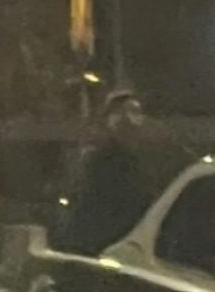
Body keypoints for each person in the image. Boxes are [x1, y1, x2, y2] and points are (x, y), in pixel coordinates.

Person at [58, 90, 152, 256]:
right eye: (122, 114)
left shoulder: (138, 159)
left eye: (136, 113)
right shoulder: (103, 160)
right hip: (101, 246)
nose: (131, 121)